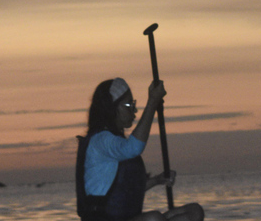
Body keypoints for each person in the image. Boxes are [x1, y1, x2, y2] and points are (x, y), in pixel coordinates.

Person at [76, 77, 205, 221]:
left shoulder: (115, 143)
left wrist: (157, 180)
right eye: (128, 104)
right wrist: (152, 102)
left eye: (133, 104)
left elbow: (126, 191)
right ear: (111, 108)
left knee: (194, 212)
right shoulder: (101, 141)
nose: (134, 109)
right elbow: (134, 147)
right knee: (153, 218)